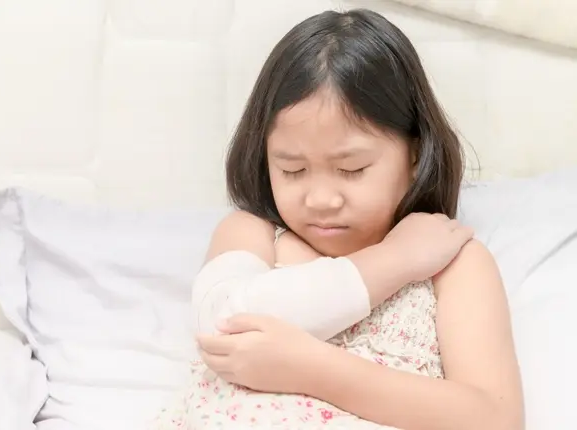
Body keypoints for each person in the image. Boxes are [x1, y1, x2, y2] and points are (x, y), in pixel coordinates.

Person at [151, 8, 524, 430]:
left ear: (415, 154)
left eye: (351, 169)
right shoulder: (256, 235)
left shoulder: (452, 264)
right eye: (292, 170)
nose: (321, 199)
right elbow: (222, 325)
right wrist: (394, 260)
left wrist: (313, 369)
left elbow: (495, 419)